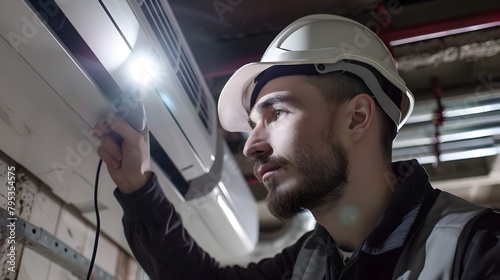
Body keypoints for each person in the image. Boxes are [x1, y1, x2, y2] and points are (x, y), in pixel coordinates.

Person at [94, 14, 500, 279]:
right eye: (253, 125)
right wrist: (138, 186)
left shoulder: (478, 249)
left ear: (357, 118)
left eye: (279, 113)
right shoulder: (311, 260)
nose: (251, 144)